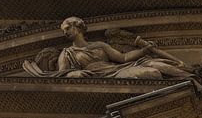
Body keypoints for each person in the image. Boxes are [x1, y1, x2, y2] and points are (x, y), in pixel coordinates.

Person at [23, 16, 192, 79]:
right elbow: (63, 75)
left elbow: (123, 58)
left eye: (68, 28)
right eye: (63, 31)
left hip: (117, 70)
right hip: (99, 76)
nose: (65, 33)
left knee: (155, 68)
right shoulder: (67, 53)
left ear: (78, 27)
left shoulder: (100, 45)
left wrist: (144, 51)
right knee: (152, 74)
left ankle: (190, 76)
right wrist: (76, 73)